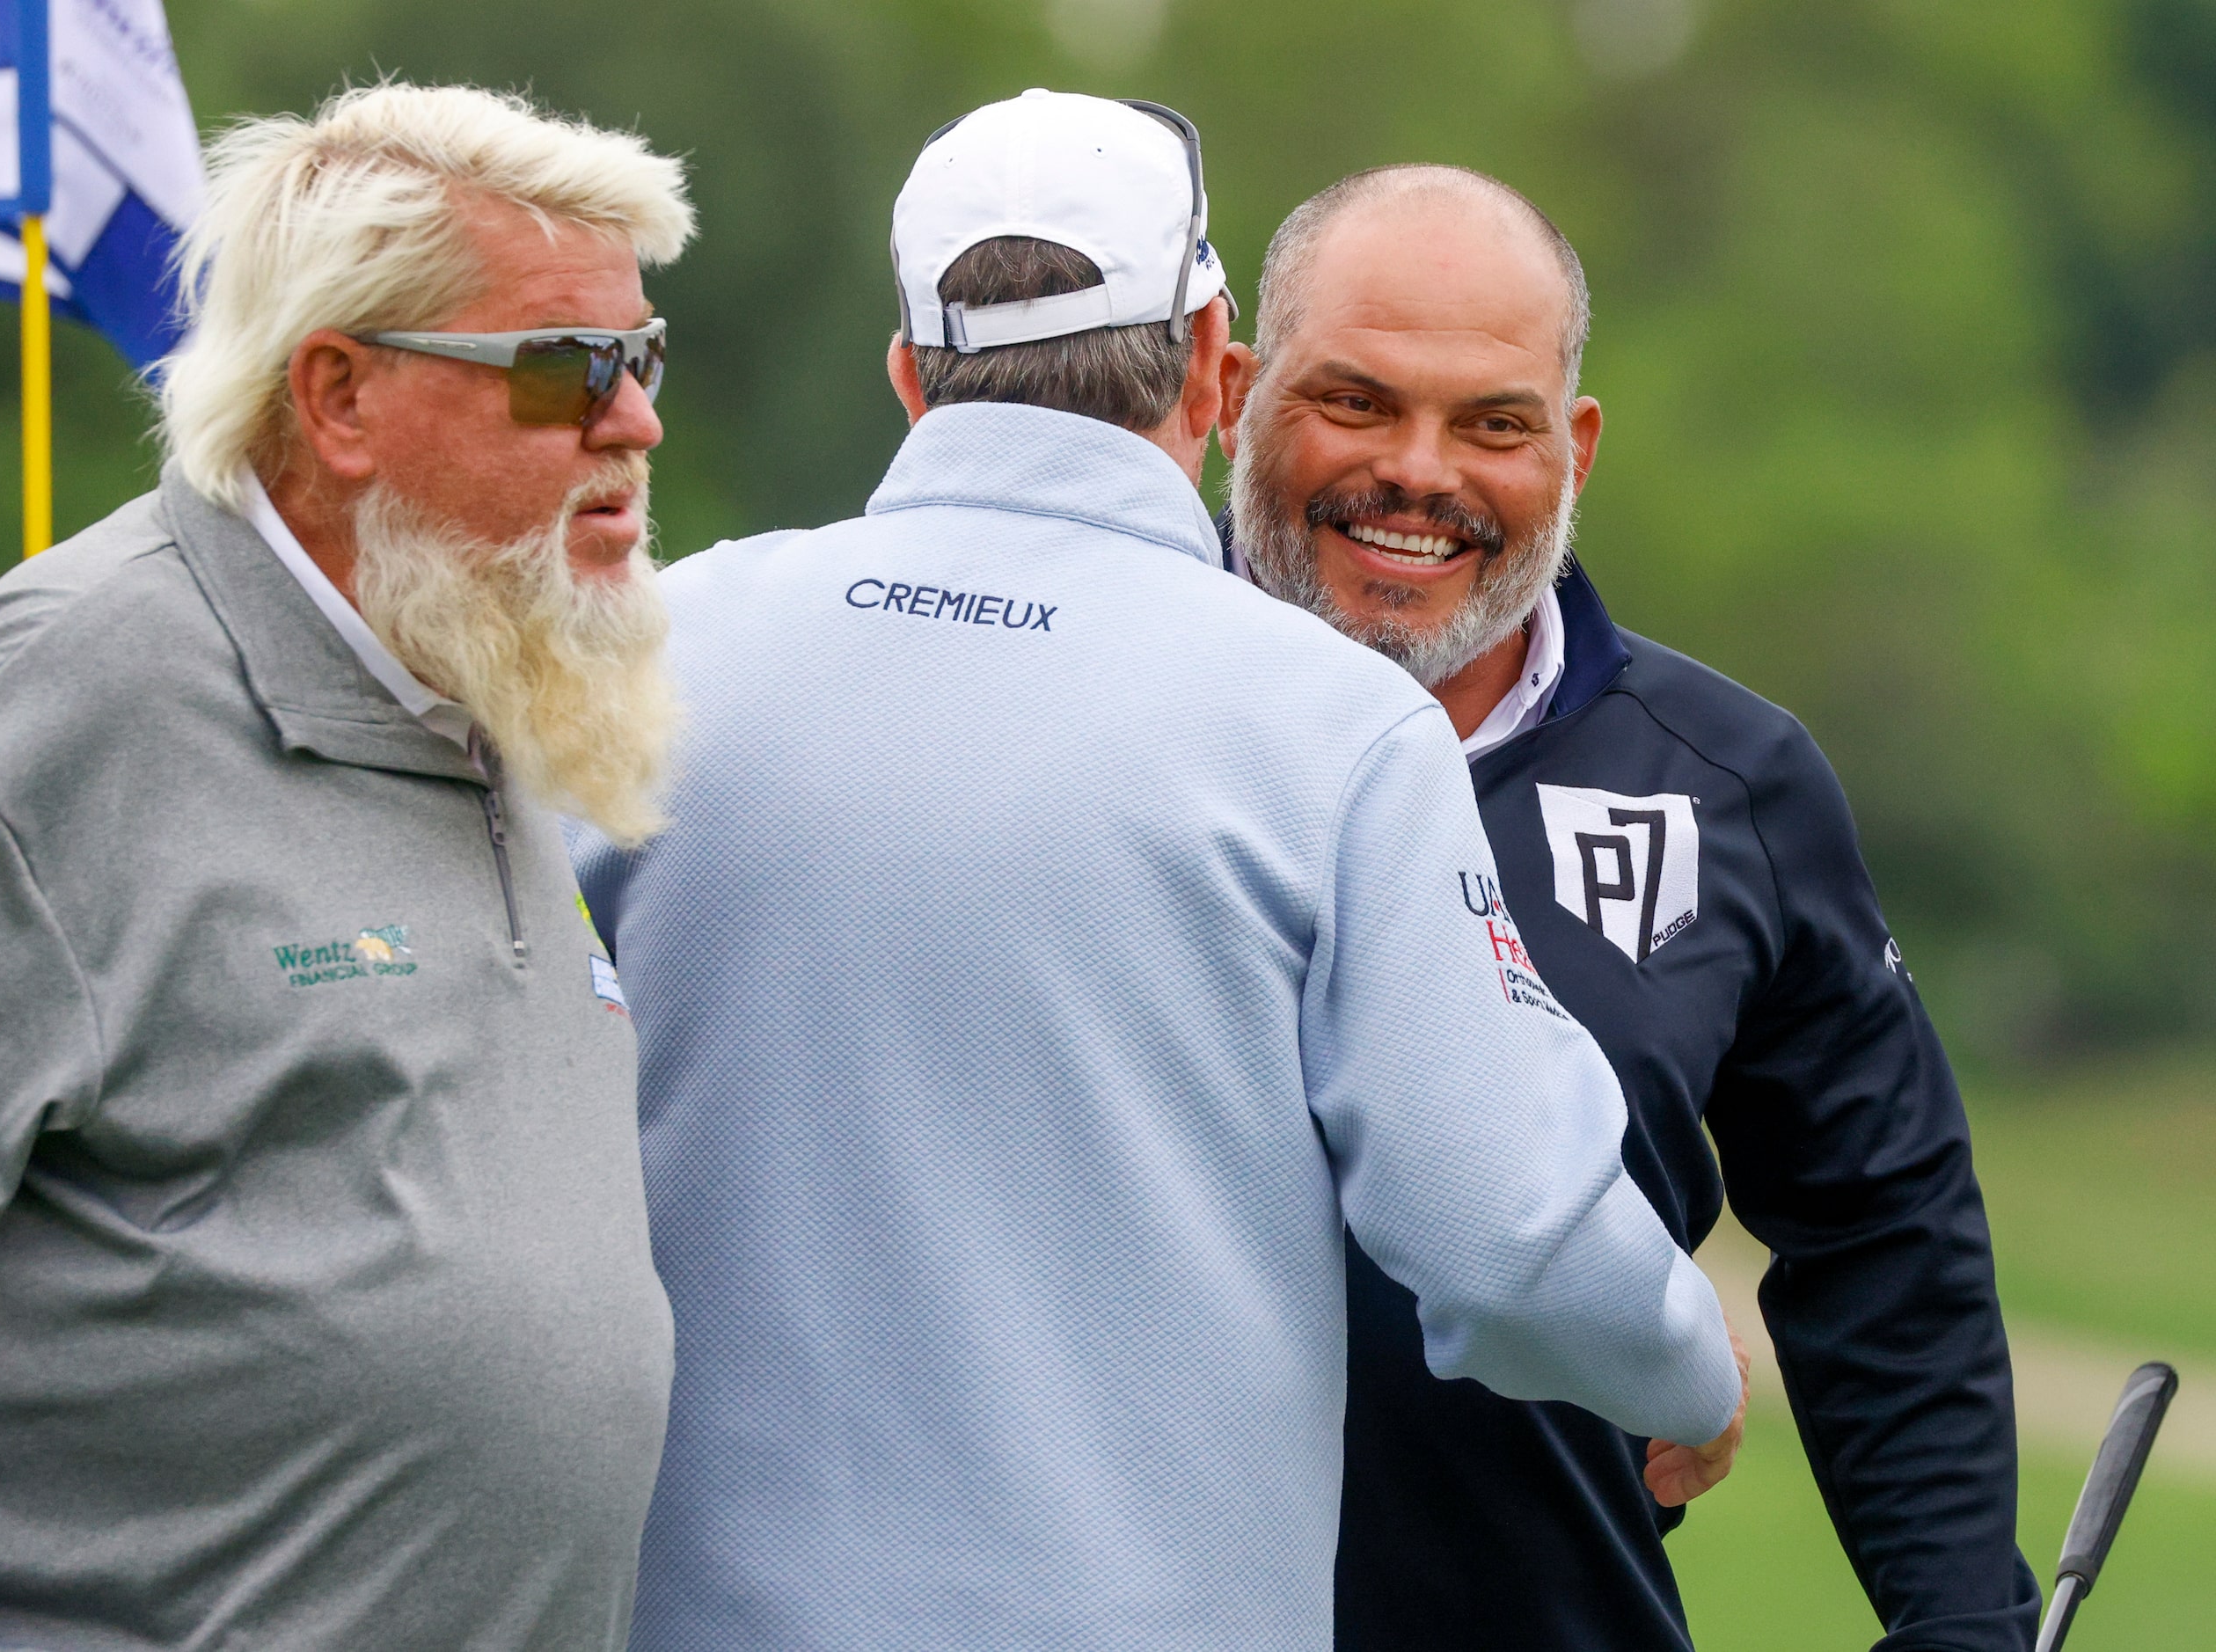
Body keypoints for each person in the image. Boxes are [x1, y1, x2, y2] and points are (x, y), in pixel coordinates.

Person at [570, 89, 1744, 1652]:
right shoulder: (1330, 723)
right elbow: (1509, 1236)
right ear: (1211, 359)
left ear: (913, 371)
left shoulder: (659, 647)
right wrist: (1685, 1367)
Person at [0, 83, 693, 1650]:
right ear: (338, 400)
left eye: (641, 355)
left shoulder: (486, 664)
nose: (636, 419)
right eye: (568, 365)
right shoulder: (37, 716)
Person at [1215, 164, 2036, 1651]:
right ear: (1236, 392)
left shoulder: (1733, 783)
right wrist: (1669, 1352)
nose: (1419, 471)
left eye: (1495, 423)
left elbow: (1881, 1234)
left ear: (1574, 446)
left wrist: (1963, 1622)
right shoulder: (1091, 728)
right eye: (1356, 401)